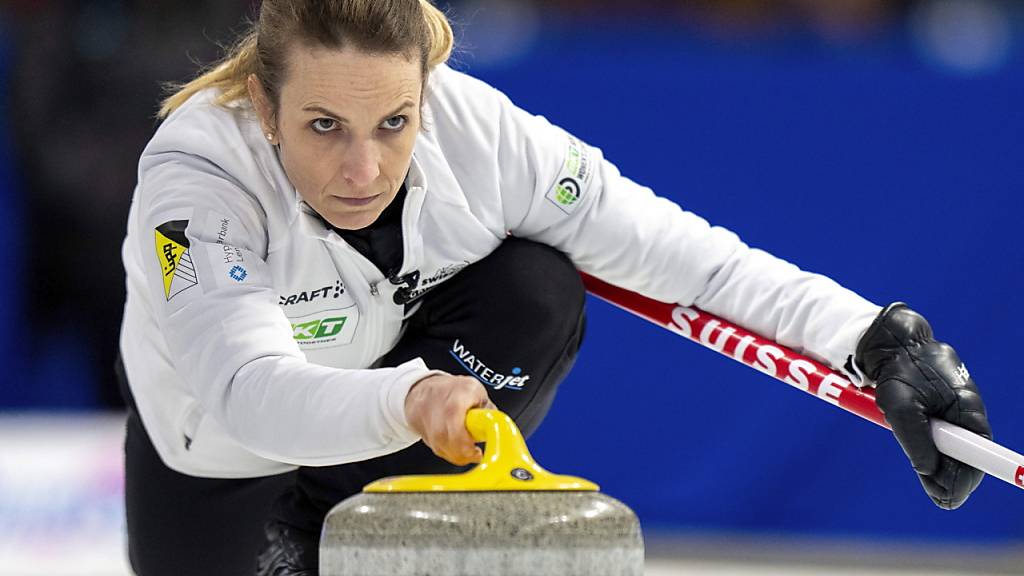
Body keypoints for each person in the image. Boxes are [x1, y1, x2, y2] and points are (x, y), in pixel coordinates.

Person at [116, 1, 993, 574]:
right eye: (323, 126)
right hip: (218, 464)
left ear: (427, 91)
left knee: (535, 288)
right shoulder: (197, 178)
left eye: (394, 122)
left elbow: (693, 261)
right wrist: (411, 396)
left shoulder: (483, 136)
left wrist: (879, 340)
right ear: (264, 110)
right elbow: (243, 393)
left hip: (369, 467)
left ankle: (338, 543)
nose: (364, 167)